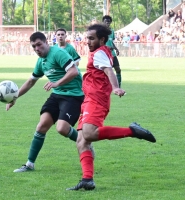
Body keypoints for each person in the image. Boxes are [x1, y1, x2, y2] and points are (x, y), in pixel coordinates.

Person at [66, 23, 156, 191]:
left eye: (92, 38)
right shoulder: (100, 52)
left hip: (96, 99)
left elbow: (109, 71)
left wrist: (115, 87)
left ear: (102, 39)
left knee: (89, 134)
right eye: (87, 38)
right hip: (89, 99)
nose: (88, 41)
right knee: (81, 141)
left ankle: (132, 131)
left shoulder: (99, 53)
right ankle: (87, 180)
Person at [7, 31, 85, 172]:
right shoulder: (40, 61)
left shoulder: (57, 53)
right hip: (57, 95)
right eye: (34, 47)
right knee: (41, 126)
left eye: (39, 45)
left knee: (61, 128)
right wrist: (14, 97)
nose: (37, 49)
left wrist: (57, 83)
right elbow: (31, 81)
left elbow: (74, 72)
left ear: (46, 43)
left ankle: (84, 142)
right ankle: (29, 164)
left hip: (73, 95)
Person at [102, 15, 122, 87]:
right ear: (103, 22)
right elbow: (99, 43)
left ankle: (118, 86)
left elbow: (111, 41)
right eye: (106, 22)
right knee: (106, 71)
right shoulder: (101, 32)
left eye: (109, 22)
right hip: (104, 54)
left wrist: (116, 49)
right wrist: (106, 47)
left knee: (118, 69)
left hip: (112, 54)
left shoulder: (112, 31)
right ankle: (105, 86)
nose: (107, 23)